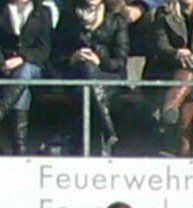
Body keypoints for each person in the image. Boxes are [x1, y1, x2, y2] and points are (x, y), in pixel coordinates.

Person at [145, 0, 193, 155]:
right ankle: (184, 142)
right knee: (189, 82)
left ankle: (169, 109)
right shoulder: (163, 13)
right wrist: (176, 53)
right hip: (169, 68)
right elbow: (160, 44)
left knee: (190, 73)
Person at [54, 0, 126, 153]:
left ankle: (89, 143)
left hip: (107, 77)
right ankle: (107, 129)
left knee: (89, 70)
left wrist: (100, 60)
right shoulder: (68, 17)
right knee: (86, 69)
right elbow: (55, 56)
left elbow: (120, 61)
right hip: (76, 76)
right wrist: (72, 58)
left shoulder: (116, 19)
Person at [0, 0, 52, 154]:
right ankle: (19, 148)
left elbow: (43, 50)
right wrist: (3, 63)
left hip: (33, 65)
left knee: (24, 72)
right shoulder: (2, 9)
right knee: (22, 89)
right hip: (6, 66)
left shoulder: (42, 13)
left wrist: (22, 58)